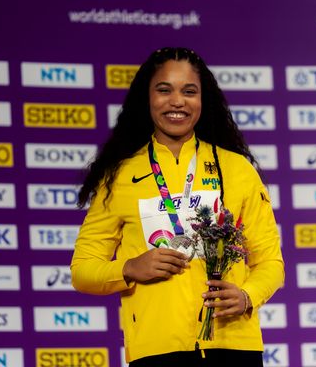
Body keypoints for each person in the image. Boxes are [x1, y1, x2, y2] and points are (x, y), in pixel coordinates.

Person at [71, 47, 284, 366]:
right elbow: (82, 270)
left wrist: (247, 296)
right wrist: (128, 268)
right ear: (147, 98)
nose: (177, 101)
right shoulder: (120, 175)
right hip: (157, 348)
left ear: (203, 100)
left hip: (233, 343)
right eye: (164, 90)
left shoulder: (236, 168)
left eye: (189, 91)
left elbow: (270, 261)